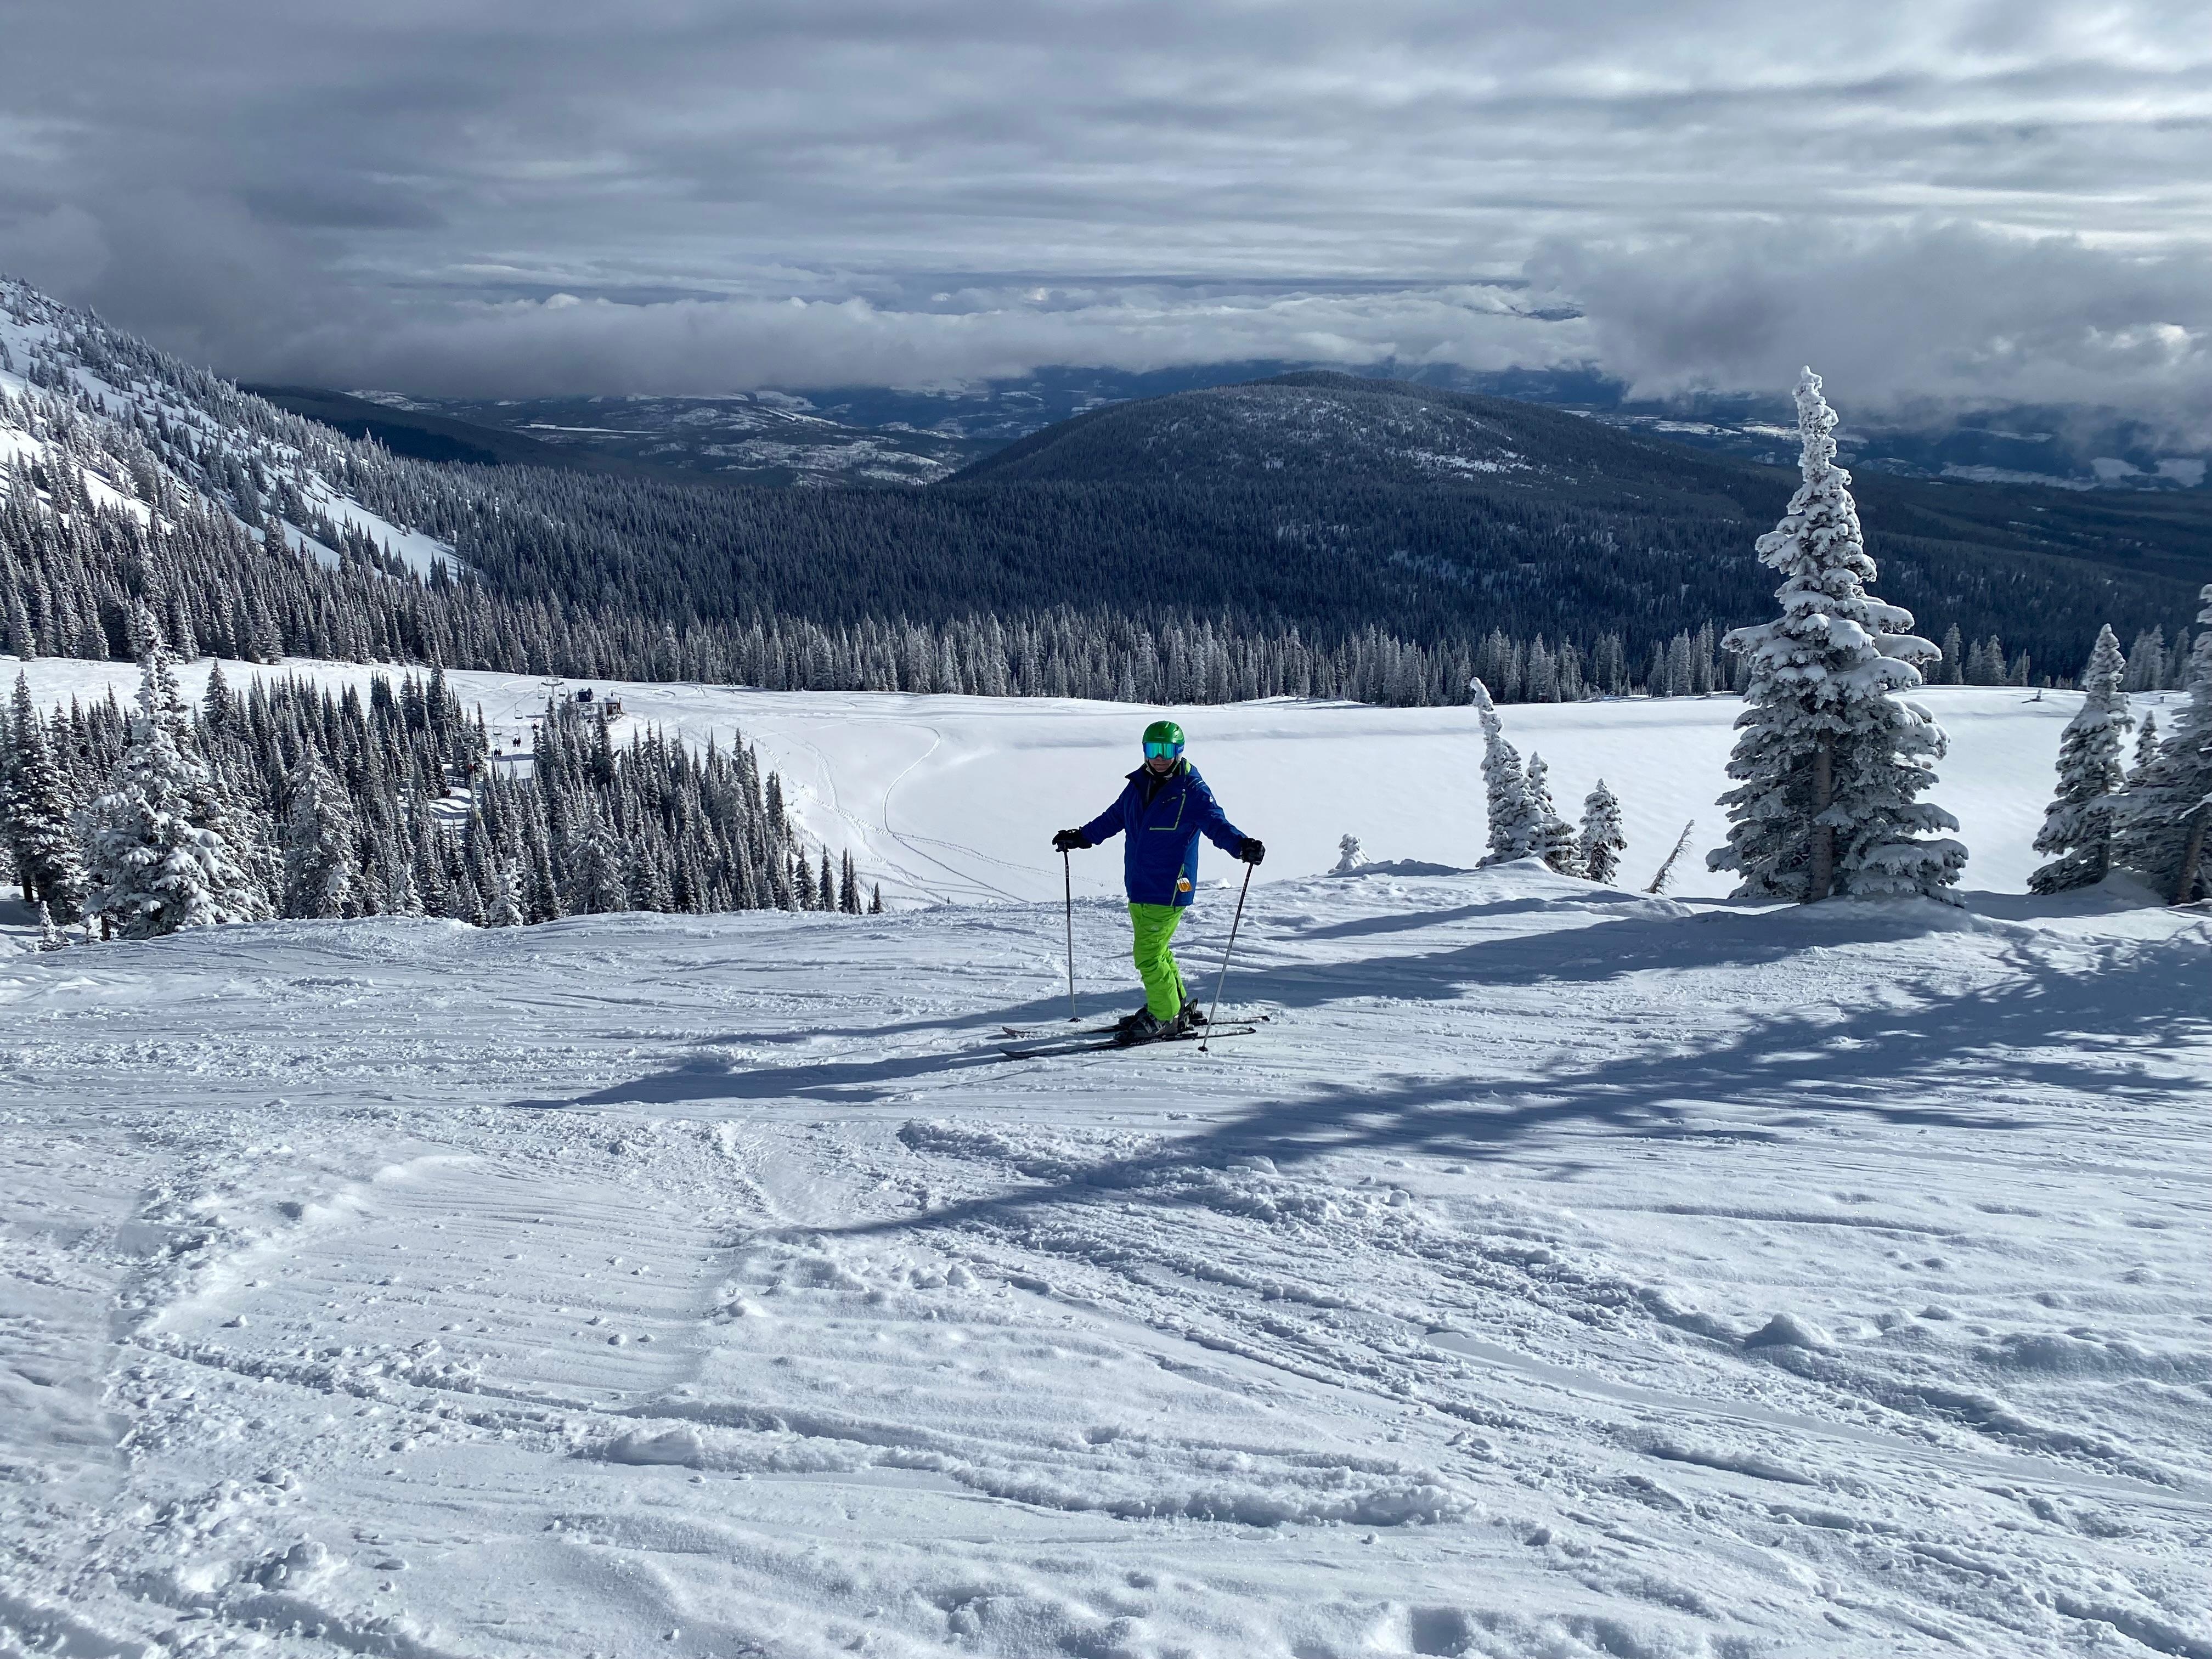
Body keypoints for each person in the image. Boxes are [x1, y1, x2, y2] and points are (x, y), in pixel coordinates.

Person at [1053, 720, 1263, 1043]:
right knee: (1157, 949)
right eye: (1153, 750)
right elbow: (1114, 817)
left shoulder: (1191, 790)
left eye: (1166, 750)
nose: (1160, 757)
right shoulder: (1139, 784)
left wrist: (1241, 845)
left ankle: (1165, 1016)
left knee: (1148, 954)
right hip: (1140, 884)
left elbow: (1216, 823)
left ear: (1179, 751)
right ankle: (1174, 1005)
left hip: (1170, 885)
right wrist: (1082, 837)